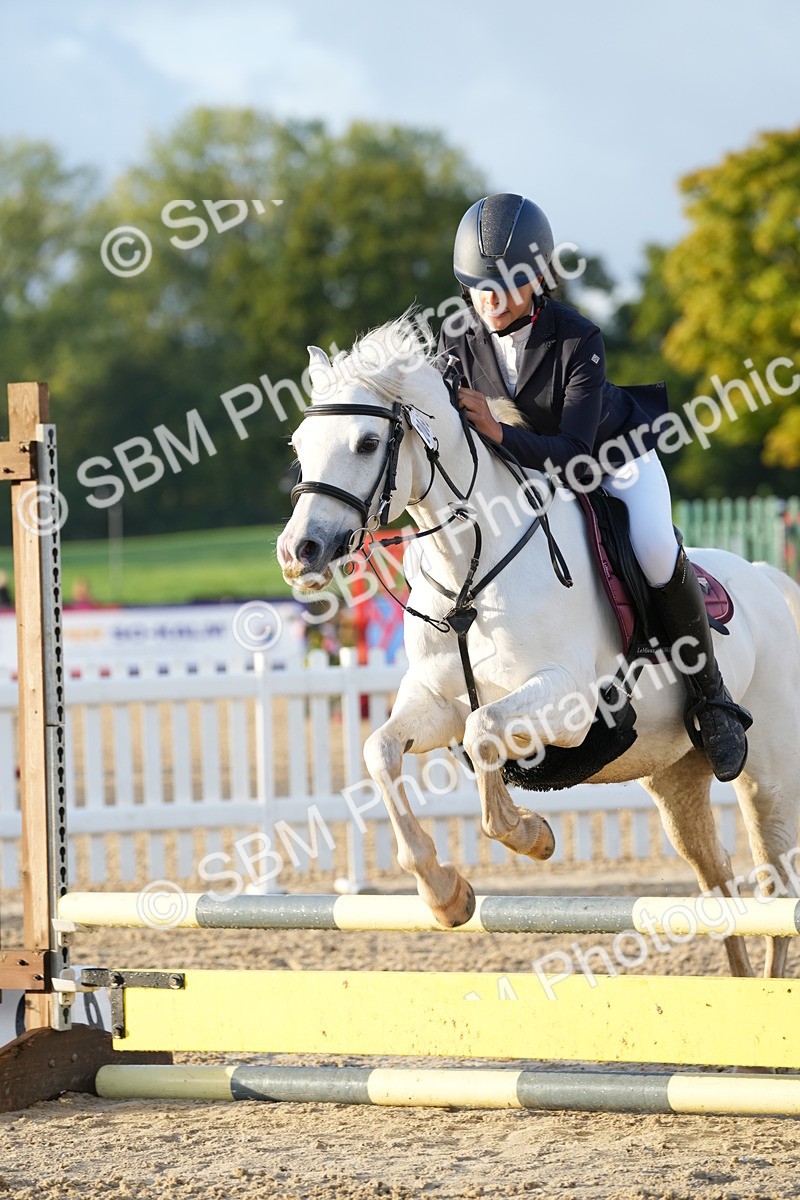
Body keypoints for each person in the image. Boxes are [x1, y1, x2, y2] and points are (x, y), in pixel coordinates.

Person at [437, 192, 752, 782]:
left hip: (610, 457)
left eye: (506, 285)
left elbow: (577, 457)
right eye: (480, 286)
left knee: (656, 548)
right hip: (524, 474)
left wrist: (498, 434)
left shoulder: (578, 339)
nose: (491, 300)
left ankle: (711, 697)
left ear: (538, 281)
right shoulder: (454, 343)